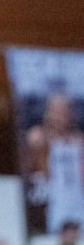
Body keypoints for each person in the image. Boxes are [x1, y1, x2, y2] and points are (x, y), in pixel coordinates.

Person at [27, 95, 84, 233]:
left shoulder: (79, 139)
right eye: (55, 111)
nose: (59, 116)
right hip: (53, 197)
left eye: (63, 112)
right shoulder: (39, 136)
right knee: (55, 235)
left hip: (77, 197)